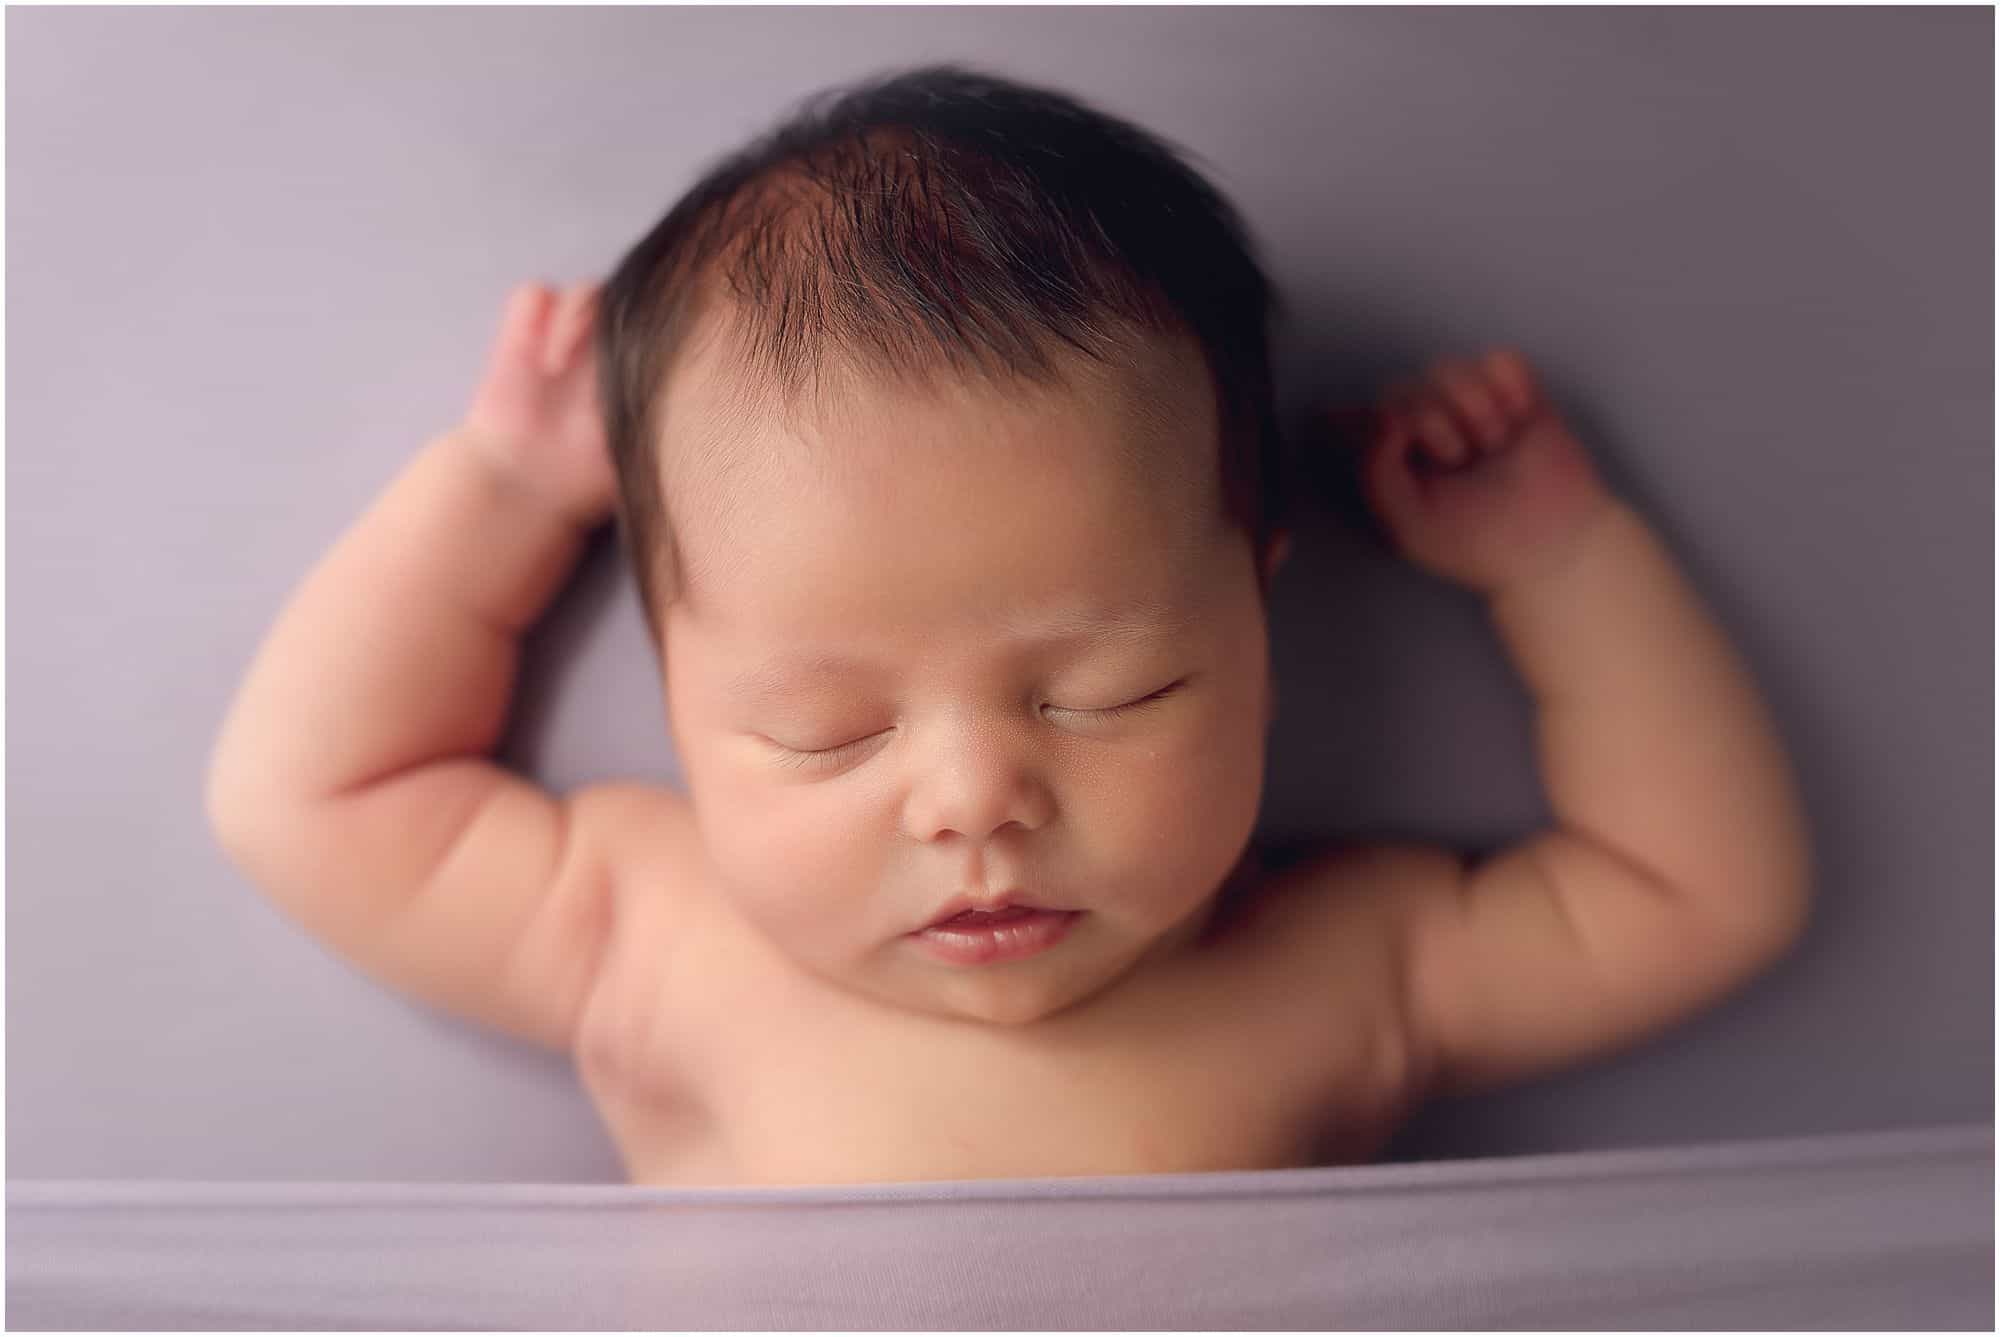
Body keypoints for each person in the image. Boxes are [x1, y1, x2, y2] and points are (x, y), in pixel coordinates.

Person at [206, 65, 1813, 1186]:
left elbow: (1707, 893)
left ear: (1258, 612)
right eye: (828, 726)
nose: (976, 800)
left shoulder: (1343, 965)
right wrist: (499, 490)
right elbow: (306, 799)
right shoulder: (649, 933)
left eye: (1111, 690)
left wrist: (1558, 560)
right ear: (674, 684)